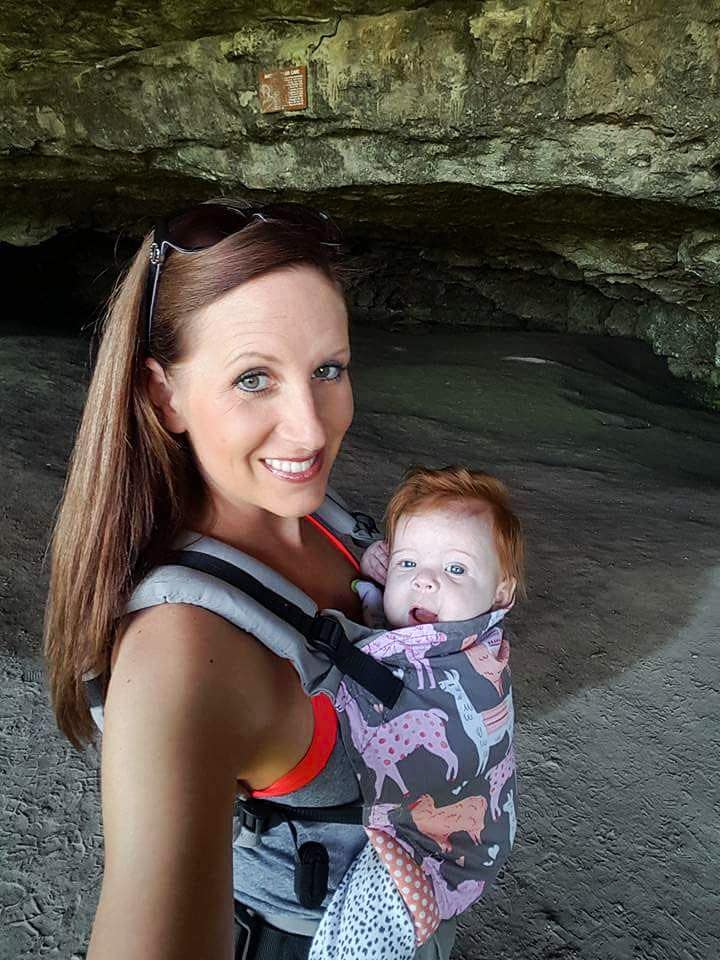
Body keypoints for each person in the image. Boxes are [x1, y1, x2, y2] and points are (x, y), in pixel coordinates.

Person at [42, 198, 459, 959]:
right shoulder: (181, 659)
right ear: (163, 395)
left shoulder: (320, 516)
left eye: (328, 369)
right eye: (254, 379)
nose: (312, 427)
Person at [307, 466, 524, 960]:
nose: (424, 581)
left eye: (455, 569)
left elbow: (394, 705)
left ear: (502, 594)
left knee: (361, 936)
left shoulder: (470, 663)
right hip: (480, 822)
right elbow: (404, 636)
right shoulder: (454, 622)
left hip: (435, 850)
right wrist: (385, 581)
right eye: (408, 564)